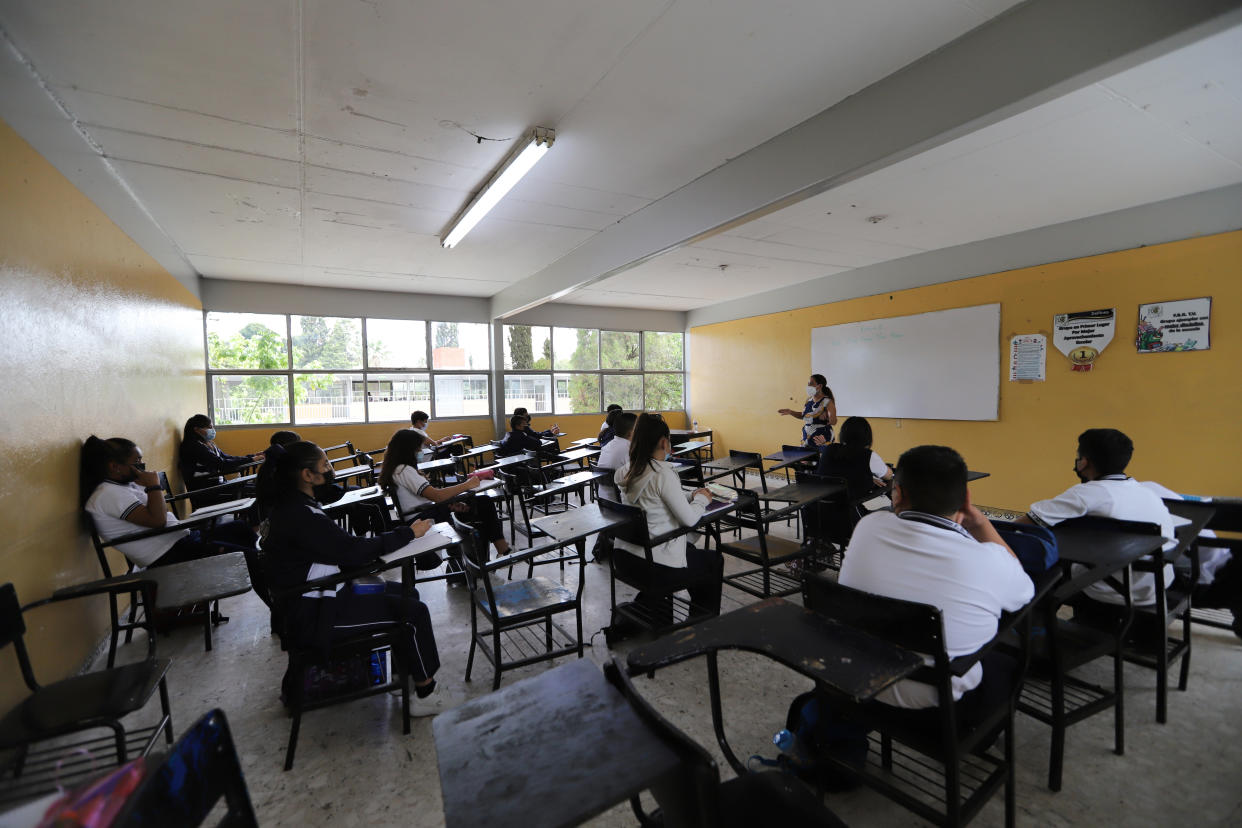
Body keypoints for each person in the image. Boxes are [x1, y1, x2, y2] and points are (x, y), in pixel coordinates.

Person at [259, 440, 453, 715]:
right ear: (307, 475)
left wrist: (378, 550)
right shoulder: (299, 515)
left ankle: (405, 679)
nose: (329, 470)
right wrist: (409, 533)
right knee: (413, 613)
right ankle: (424, 693)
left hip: (315, 599)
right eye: (325, 465)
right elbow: (352, 551)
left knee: (407, 594)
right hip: (315, 615)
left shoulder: (293, 506)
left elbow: (339, 547)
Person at [840, 445, 1033, 716]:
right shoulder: (988, 560)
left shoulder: (867, 527)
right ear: (966, 497)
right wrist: (982, 525)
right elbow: (1024, 593)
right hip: (933, 696)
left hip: (857, 675)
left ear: (898, 493)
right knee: (1007, 658)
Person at [1020, 428, 1176, 612]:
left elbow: (1028, 523)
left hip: (1109, 587)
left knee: (1034, 561)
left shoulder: (1088, 492)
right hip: (1155, 585)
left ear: (1084, 462)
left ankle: (1036, 626)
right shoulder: (1146, 491)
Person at [82, 436, 257, 569]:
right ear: (115, 467)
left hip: (179, 539)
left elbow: (161, 511)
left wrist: (151, 488)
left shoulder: (124, 486)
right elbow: (159, 520)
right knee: (252, 560)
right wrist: (153, 485)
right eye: (136, 462)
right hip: (167, 554)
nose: (141, 465)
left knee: (240, 529)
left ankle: (268, 571)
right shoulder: (108, 494)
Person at [613, 413, 724, 622]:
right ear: (665, 442)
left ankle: (652, 612)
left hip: (624, 558)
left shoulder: (626, 471)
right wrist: (702, 502)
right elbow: (689, 520)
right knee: (713, 561)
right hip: (652, 565)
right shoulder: (662, 472)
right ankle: (701, 624)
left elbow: (658, 496)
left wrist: (692, 495)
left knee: (690, 551)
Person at [379, 428, 511, 559]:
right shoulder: (404, 470)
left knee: (481, 507)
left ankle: (495, 554)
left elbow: (430, 497)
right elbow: (436, 496)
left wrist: (450, 503)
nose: (420, 452)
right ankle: (496, 555)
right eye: (418, 449)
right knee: (483, 506)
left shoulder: (397, 468)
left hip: (425, 511)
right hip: (422, 518)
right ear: (407, 450)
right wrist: (467, 485)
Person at [177, 414, 263, 507]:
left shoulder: (207, 443)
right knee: (256, 491)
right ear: (197, 429)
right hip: (207, 492)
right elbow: (221, 463)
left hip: (218, 486)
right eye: (209, 427)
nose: (213, 430)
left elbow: (226, 457)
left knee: (257, 488)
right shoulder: (193, 447)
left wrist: (252, 457)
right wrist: (250, 459)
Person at [777, 374, 837, 446]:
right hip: (807, 439)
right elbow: (804, 416)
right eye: (808, 384)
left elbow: (834, 421)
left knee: (820, 456)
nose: (808, 386)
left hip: (821, 439)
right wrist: (791, 412)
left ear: (820, 386)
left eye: (811, 384)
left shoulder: (827, 401)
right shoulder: (809, 400)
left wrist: (828, 417)